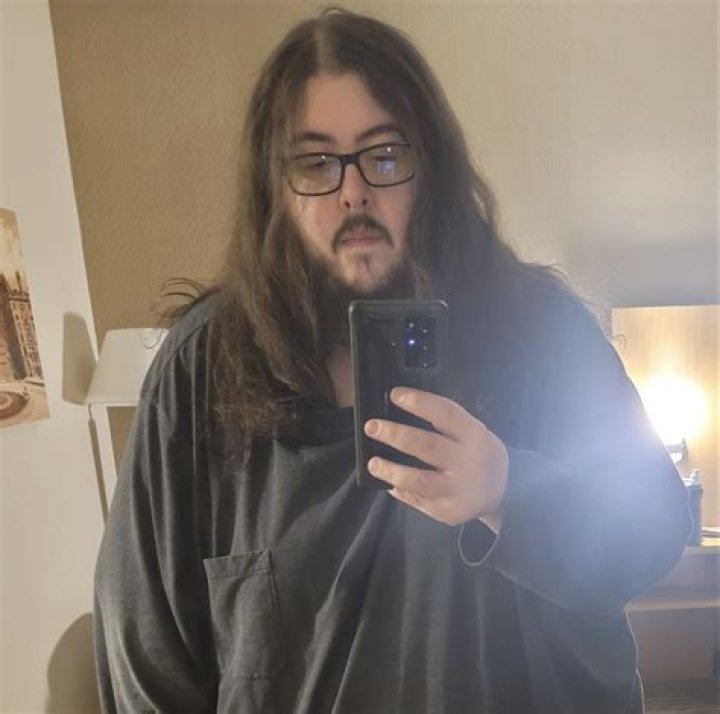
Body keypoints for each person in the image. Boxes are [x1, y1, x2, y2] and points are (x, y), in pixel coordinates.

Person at [93, 8, 690, 713]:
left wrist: (508, 490)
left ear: (430, 167)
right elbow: (145, 652)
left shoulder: (542, 334)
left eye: (383, 155)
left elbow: (652, 534)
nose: (354, 191)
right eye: (316, 162)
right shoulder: (203, 370)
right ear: (274, 189)